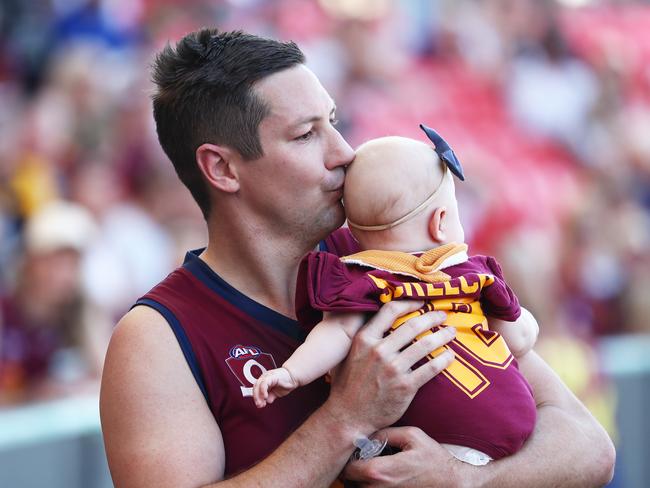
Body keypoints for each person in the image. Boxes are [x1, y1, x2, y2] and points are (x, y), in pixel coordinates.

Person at [99, 28, 615, 487]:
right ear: (222, 169)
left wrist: (463, 480)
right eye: (306, 134)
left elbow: (589, 448)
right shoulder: (158, 339)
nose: (344, 151)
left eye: (334, 121)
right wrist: (345, 419)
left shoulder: (396, 254)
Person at [253, 132, 539, 466]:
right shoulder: (474, 276)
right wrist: (530, 324)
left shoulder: (364, 280)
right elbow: (518, 339)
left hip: (426, 439)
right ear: (441, 222)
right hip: (495, 428)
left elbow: (334, 335)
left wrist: (292, 373)